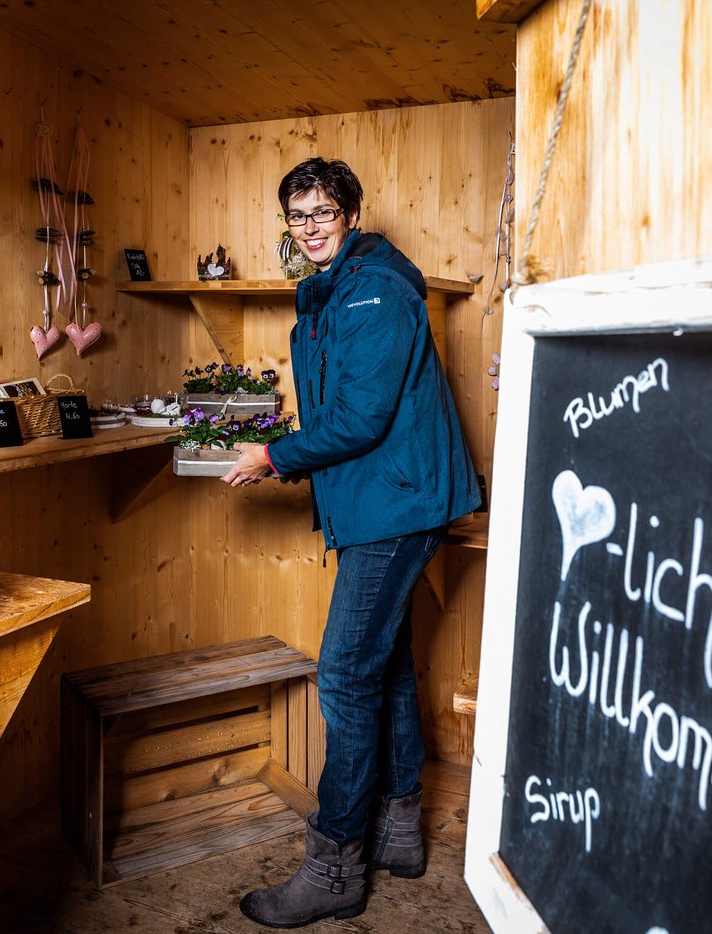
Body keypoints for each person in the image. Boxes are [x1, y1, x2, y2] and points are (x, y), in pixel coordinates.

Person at [221, 157, 480, 927]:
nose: (309, 228)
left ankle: (335, 864)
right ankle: (399, 833)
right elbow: (343, 402)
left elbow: (361, 419)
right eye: (297, 217)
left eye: (322, 213)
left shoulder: (373, 290)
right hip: (383, 501)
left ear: (351, 214)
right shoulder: (339, 286)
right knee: (388, 667)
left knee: (343, 676)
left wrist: (274, 454)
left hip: (395, 506)